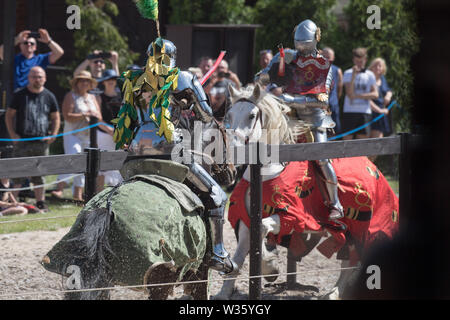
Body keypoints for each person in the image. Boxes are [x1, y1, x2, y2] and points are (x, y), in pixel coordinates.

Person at [116, 38, 237, 274]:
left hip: (135, 153)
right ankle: (217, 254)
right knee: (218, 195)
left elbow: (126, 121)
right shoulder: (182, 77)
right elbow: (206, 117)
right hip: (170, 151)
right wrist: (187, 104)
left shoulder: (134, 80)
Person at [257, 19, 344, 220]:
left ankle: (335, 203)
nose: (301, 48)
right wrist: (263, 76)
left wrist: (289, 98)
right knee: (269, 149)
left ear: (316, 39)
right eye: (299, 42)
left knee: (321, 159)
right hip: (288, 118)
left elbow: (322, 102)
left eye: (305, 42)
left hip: (315, 120)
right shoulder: (289, 56)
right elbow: (267, 76)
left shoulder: (324, 66)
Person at [4, 66, 61, 212]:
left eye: (40, 76)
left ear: (45, 78)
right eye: (34, 76)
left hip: (41, 142)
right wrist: (13, 135)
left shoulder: (49, 96)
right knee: (17, 174)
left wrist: (53, 134)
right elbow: (9, 115)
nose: (37, 79)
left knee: (39, 174)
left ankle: (40, 203)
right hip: (22, 141)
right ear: (29, 78)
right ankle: (13, 203)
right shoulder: (20, 95)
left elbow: (56, 117)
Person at [52, 71, 104, 201]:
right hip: (73, 134)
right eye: (81, 80)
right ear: (76, 83)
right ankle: (59, 188)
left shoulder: (93, 97)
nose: (84, 83)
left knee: (84, 162)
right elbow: (67, 116)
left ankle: (78, 194)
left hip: (88, 135)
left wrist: (93, 115)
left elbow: (99, 117)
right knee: (74, 156)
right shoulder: (71, 96)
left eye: (87, 81)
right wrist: (85, 114)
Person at [0, 29, 64, 91]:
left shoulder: (40, 59)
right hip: (15, 95)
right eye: (25, 43)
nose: (29, 44)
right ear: (20, 45)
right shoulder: (14, 58)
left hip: (32, 94)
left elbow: (59, 52)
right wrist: (17, 39)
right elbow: (1, 51)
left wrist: (49, 41)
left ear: (35, 47)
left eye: (32, 43)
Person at [95, 69, 123, 191]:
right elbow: (97, 119)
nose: (111, 82)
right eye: (108, 80)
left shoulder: (121, 96)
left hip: (120, 134)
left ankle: (118, 193)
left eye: (113, 79)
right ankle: (98, 195)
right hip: (104, 134)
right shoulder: (99, 97)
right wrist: (110, 131)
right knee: (102, 166)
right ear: (104, 82)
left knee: (120, 164)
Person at [341, 48, 379, 140]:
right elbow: (349, 94)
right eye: (357, 61)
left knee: (362, 143)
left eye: (361, 61)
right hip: (349, 111)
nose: (359, 64)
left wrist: (358, 96)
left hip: (364, 112)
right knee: (347, 141)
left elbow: (375, 94)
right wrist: (353, 75)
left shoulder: (370, 74)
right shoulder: (347, 73)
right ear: (353, 60)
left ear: (365, 60)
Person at [368, 57, 393, 139]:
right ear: (371, 67)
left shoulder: (382, 78)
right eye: (375, 65)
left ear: (383, 68)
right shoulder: (367, 78)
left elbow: (388, 90)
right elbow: (366, 99)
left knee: (378, 142)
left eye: (380, 66)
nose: (377, 68)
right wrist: (379, 110)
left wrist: (388, 96)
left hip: (380, 114)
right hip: (369, 113)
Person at [322, 47, 343, 134]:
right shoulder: (316, 69)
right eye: (324, 56)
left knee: (334, 131)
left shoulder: (337, 71)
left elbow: (340, 89)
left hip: (333, 104)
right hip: (320, 106)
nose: (327, 59)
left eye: (329, 57)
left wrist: (335, 100)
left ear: (333, 58)